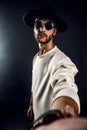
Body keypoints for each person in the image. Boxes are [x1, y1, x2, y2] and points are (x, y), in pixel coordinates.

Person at [23, 5, 80, 121]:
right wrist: (31, 104)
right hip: (37, 122)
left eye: (48, 25)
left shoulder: (61, 60)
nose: (42, 29)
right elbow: (35, 85)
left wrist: (63, 115)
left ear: (54, 31)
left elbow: (66, 87)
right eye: (38, 24)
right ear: (34, 27)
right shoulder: (36, 58)